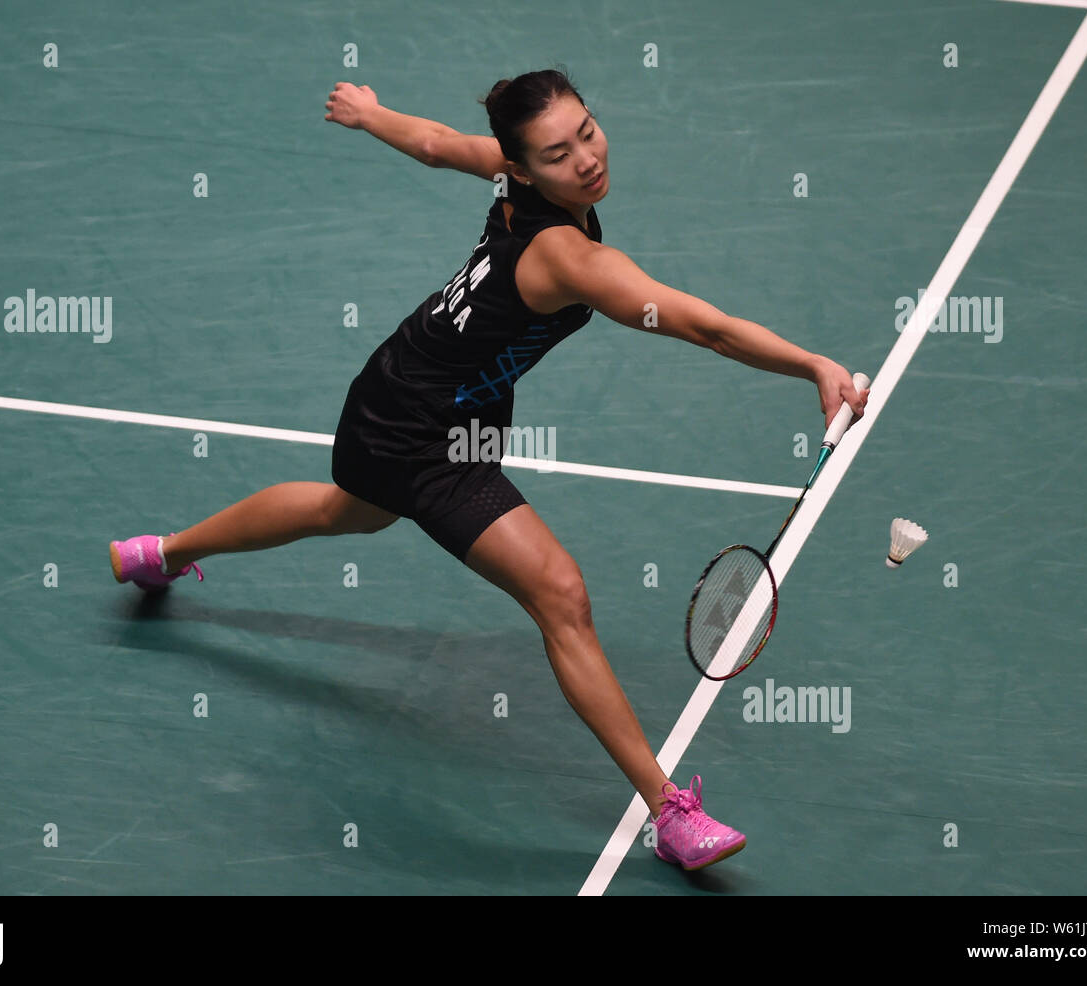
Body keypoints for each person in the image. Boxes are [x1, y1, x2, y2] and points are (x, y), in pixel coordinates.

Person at [110, 68, 867, 873]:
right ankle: (668, 810)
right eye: (557, 153)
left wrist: (371, 116)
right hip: (417, 430)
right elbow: (704, 327)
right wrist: (812, 365)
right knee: (560, 593)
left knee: (349, 512)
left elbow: (437, 145)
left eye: (587, 131)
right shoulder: (571, 261)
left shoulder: (512, 173)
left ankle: (163, 552)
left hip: (426, 393)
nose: (584, 159)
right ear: (524, 166)